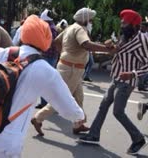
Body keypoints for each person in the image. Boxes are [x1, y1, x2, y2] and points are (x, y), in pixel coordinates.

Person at [0, 15, 85, 158]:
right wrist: (79, 116)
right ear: (47, 40)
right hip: (7, 141)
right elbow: (68, 108)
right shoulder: (45, 70)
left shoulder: (3, 53)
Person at [31, 7, 113, 136]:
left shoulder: (71, 27)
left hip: (71, 68)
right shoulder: (80, 29)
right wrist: (108, 50)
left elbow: (56, 42)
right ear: (85, 19)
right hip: (71, 69)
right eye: (91, 19)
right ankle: (38, 118)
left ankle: (78, 124)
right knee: (62, 99)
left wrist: (64, 54)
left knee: (79, 97)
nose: (92, 21)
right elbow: (86, 45)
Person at [79, 9, 148, 155]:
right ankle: (93, 135)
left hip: (127, 82)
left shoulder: (142, 40)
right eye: (121, 22)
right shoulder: (125, 36)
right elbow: (117, 51)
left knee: (118, 112)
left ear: (133, 25)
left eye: (125, 22)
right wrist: (110, 46)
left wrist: (132, 74)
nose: (122, 24)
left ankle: (138, 139)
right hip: (116, 77)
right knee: (103, 105)